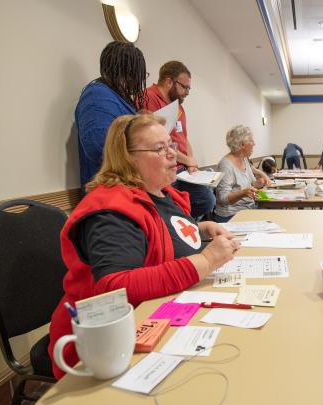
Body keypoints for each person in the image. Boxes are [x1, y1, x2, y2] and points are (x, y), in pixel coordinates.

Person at [48, 114, 239, 379]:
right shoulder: (111, 211)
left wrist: (198, 232)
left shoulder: (162, 191)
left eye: (170, 144)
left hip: (159, 318)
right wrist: (205, 262)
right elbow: (114, 287)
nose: (173, 154)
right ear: (127, 158)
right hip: (102, 351)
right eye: (160, 149)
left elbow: (160, 238)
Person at [143, 61, 216, 220]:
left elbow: (184, 138)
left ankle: (183, 227)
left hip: (183, 169)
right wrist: (186, 160)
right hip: (166, 166)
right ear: (169, 81)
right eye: (185, 87)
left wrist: (191, 160)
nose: (187, 92)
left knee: (207, 200)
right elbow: (156, 142)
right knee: (172, 211)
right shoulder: (149, 98)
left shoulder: (178, 106)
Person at [76, 41, 147, 192]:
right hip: (109, 191)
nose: (139, 81)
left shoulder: (116, 96)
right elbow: (98, 147)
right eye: (138, 74)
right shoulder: (97, 95)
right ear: (127, 72)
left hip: (125, 186)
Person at [214, 125, 271, 223]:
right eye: (251, 141)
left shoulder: (244, 159)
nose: (254, 144)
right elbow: (223, 199)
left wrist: (258, 183)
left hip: (248, 210)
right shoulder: (226, 165)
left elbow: (251, 185)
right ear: (242, 144)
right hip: (231, 216)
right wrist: (243, 193)